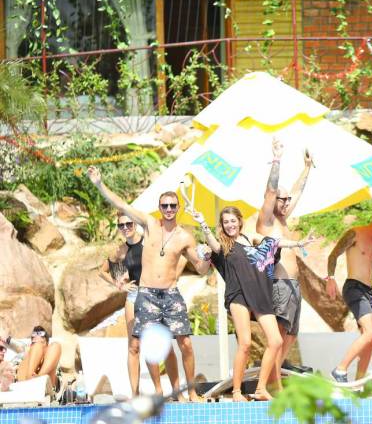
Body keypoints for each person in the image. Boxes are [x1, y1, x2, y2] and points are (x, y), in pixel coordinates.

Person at [87, 166, 211, 402]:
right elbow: (122, 205)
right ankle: (158, 390)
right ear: (159, 208)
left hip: (171, 294)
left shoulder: (184, 237)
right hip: (146, 295)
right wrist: (99, 184)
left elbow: (201, 268)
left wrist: (207, 256)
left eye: (172, 206)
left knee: (185, 343)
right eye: (164, 205)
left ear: (178, 208)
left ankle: (191, 391)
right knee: (150, 345)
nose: (168, 209)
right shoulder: (149, 224)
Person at [193, 206, 314, 401]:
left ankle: (260, 388)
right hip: (238, 294)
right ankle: (237, 391)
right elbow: (213, 246)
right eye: (226, 222)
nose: (230, 225)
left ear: (240, 221)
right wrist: (203, 224)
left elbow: (275, 242)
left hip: (260, 295)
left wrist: (299, 243)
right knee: (245, 344)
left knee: (276, 341)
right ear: (222, 225)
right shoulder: (223, 244)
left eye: (233, 221)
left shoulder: (251, 239)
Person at [98, 211, 180, 396]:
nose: (125, 228)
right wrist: (120, 284)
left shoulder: (149, 242)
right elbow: (102, 271)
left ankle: (176, 391)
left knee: (164, 344)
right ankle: (137, 394)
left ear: (135, 224)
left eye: (129, 224)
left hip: (155, 295)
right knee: (134, 346)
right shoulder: (121, 250)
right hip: (134, 296)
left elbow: (174, 259)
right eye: (121, 225)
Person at [255, 138, 313, 376]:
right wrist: (277, 160)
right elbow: (271, 191)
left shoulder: (283, 219)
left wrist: (307, 168)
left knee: (291, 335)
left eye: (288, 200)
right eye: (283, 199)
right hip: (279, 284)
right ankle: (269, 379)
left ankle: (274, 375)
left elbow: (297, 192)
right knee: (279, 334)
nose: (287, 203)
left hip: (293, 285)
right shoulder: (267, 221)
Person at [325, 207, 372, 382]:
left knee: (371, 340)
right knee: (370, 332)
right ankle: (340, 370)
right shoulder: (355, 234)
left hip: (369, 291)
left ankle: (359, 383)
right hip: (354, 288)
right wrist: (331, 278)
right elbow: (333, 255)